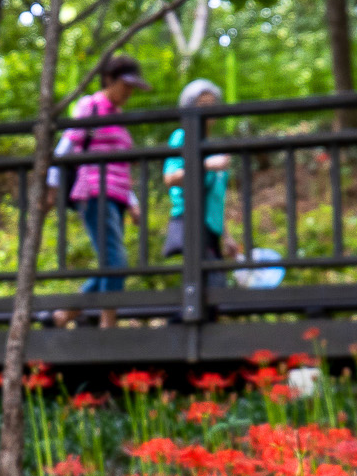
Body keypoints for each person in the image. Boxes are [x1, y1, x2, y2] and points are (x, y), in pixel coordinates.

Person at [52, 54, 149, 329]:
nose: (129, 92)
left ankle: (67, 313)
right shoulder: (90, 106)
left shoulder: (118, 117)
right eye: (125, 85)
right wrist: (51, 185)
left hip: (118, 196)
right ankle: (108, 322)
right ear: (109, 79)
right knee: (116, 261)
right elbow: (64, 148)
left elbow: (119, 162)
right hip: (94, 191)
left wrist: (133, 201)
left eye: (133, 87)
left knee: (111, 262)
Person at [161, 78, 232, 275]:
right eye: (203, 105)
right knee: (210, 288)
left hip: (211, 230)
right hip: (191, 223)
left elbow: (214, 200)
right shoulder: (181, 137)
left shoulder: (212, 147)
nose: (209, 111)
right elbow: (170, 178)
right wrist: (207, 165)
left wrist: (227, 237)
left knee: (213, 291)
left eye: (212, 105)